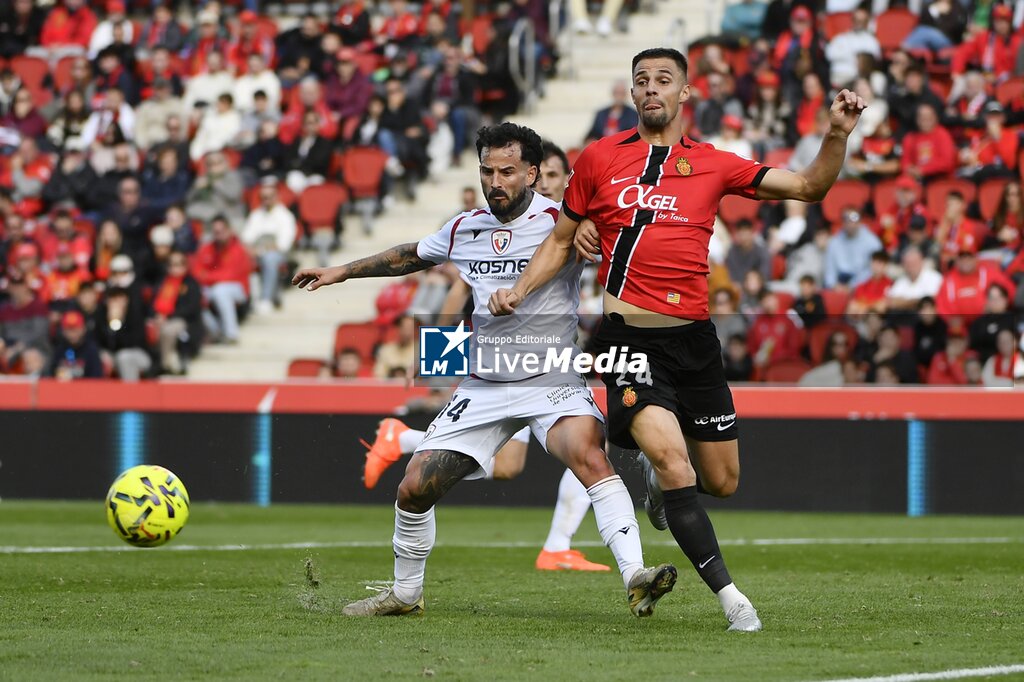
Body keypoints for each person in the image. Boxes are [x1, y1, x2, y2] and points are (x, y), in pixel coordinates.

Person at [489, 47, 867, 632]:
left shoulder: (714, 164)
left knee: (721, 480)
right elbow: (560, 238)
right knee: (671, 459)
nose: (650, 89)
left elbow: (810, 186)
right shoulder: (598, 159)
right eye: (641, 80)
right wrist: (519, 287)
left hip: (695, 343)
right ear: (632, 92)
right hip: (627, 343)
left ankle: (663, 495)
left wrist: (836, 134)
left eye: (664, 80)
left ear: (686, 93)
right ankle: (732, 599)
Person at [293, 123, 676, 618]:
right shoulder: (464, 226)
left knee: (588, 456)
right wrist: (342, 270)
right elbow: (410, 255)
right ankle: (405, 595)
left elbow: (619, 237)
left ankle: (636, 576)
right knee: (414, 488)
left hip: (550, 380)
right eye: (487, 170)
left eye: (507, 171)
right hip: (485, 385)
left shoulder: (562, 223)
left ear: (533, 174)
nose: (495, 180)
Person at [359, 140, 612, 572]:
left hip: (545, 360)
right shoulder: (482, 229)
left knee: (519, 466)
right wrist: (438, 362)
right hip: (502, 369)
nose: (549, 185)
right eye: (544, 175)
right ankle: (557, 544)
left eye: (556, 178)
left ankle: (556, 544)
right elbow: (461, 291)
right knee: (580, 451)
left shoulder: (563, 221)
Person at [241, 180, 297, 313]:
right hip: (256, 251)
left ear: (277, 197)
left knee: (270, 259)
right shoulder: (256, 214)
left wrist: (261, 250)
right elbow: (246, 238)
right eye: (263, 197)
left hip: (278, 254)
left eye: (269, 197)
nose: (266, 200)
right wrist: (252, 250)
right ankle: (248, 301)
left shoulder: (285, 216)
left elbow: (284, 244)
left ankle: (266, 299)